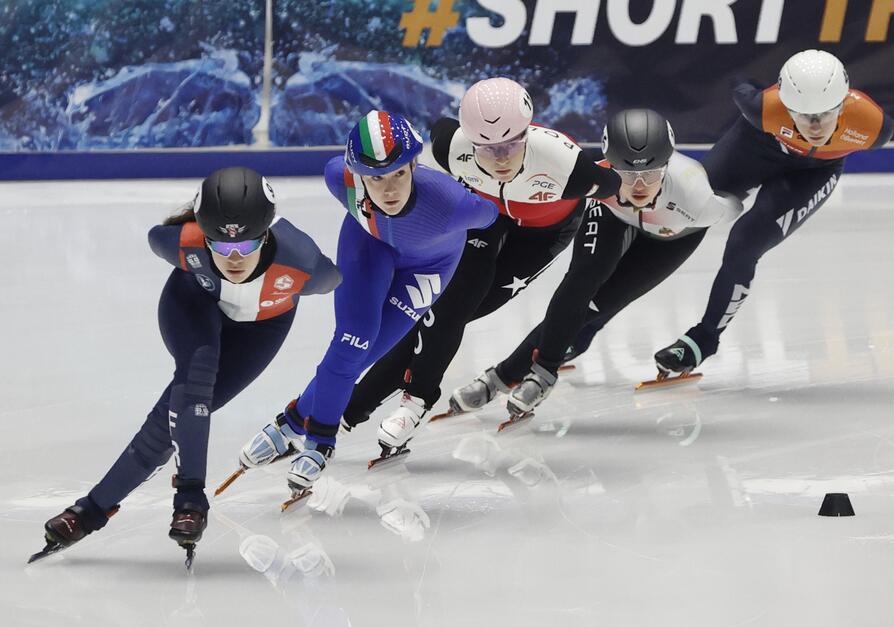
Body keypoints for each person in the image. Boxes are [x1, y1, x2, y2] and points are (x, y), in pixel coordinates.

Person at [30, 167, 340, 564]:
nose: (233, 258)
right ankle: (190, 498)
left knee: (173, 418)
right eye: (220, 246)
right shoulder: (184, 244)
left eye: (245, 247)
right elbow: (155, 237)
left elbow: (335, 279)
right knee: (195, 379)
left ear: (266, 235)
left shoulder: (305, 265)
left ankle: (91, 511)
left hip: (261, 326)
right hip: (193, 303)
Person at [339, 77, 622, 458]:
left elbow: (613, 185)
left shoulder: (568, 166)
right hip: (485, 216)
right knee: (445, 308)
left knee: (464, 312)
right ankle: (397, 403)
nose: (500, 158)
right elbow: (432, 141)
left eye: (510, 146)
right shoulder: (450, 148)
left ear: (527, 134)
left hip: (543, 233)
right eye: (486, 150)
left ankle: (356, 405)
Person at [236, 110, 499, 494]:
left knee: (369, 352)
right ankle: (320, 442)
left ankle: (292, 421)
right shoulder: (335, 177)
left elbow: (491, 215)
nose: (389, 190)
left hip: (429, 266)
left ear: (414, 165)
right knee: (351, 342)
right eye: (375, 178)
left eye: (399, 173)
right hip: (370, 245)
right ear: (357, 175)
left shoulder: (454, 205)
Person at [451, 109, 743, 417]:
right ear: (609, 164)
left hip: (672, 239)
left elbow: (731, 208)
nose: (639, 186)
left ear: (668, 164)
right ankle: (514, 377)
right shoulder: (593, 180)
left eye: (652, 173)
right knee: (580, 283)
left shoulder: (695, 195)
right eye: (627, 174)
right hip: (611, 215)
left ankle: (519, 368)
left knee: (597, 307)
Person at [654, 49, 894, 376]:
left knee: (744, 242)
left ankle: (702, 340)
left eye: (824, 113)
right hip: (755, 147)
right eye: (801, 113)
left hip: (813, 173)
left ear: (843, 103)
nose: (813, 125)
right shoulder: (761, 108)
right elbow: (740, 82)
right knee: (684, 209)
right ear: (785, 104)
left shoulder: (873, 126)